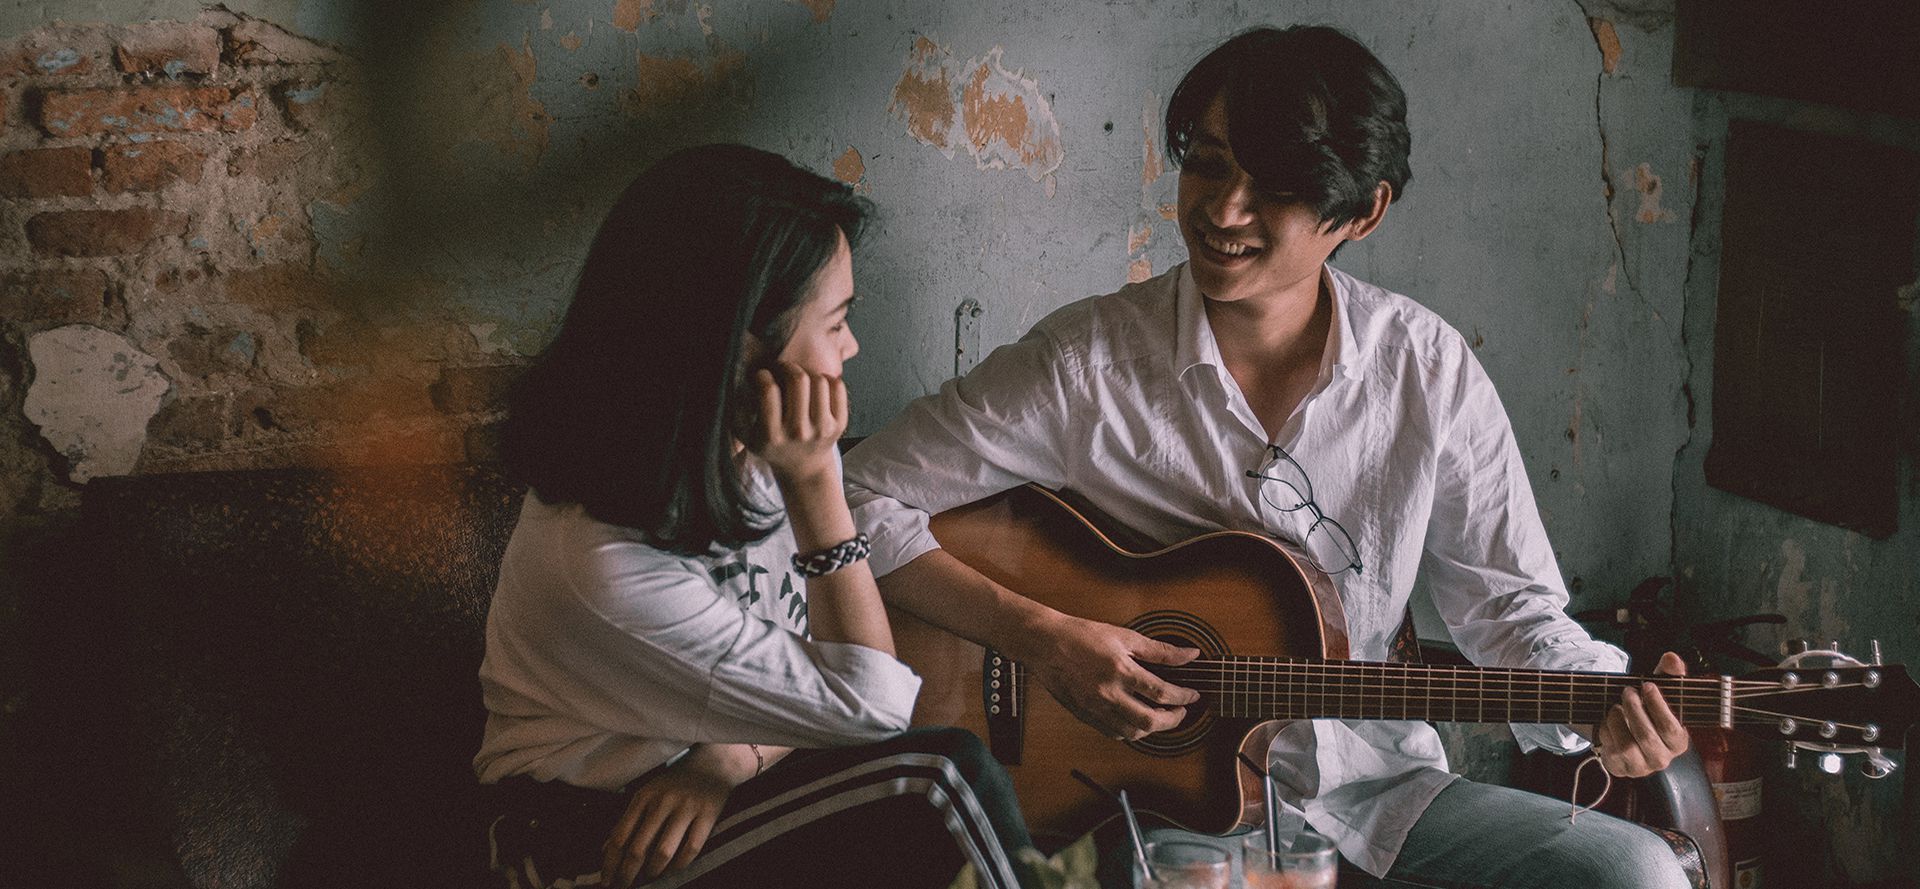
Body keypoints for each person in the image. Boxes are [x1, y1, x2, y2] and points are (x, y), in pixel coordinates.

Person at [844, 26, 1693, 889]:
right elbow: (854, 501)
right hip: (1132, 806)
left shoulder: (1425, 369)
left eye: (1275, 187)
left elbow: (1511, 610)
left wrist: (1607, 703)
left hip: (1376, 790)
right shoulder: (1086, 363)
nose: (1222, 211)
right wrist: (1048, 639)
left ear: (1362, 211)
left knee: (1636, 870)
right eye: (1209, 164)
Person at [474, 144, 1033, 889]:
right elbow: (874, 706)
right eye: (836, 321)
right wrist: (815, 487)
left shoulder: (759, 438)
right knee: (940, 779)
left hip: (718, 779)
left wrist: (733, 755)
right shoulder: (601, 563)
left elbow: (834, 680)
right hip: (600, 835)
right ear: (739, 343)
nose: (852, 346)